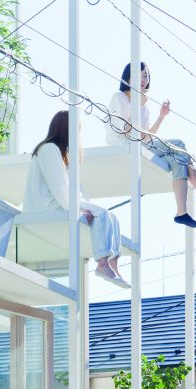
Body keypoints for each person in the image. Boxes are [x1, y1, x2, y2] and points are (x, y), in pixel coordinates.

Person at [107, 62, 196, 228]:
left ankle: (181, 213)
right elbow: (126, 130)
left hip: (140, 146)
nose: (143, 79)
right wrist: (139, 104)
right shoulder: (119, 97)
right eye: (139, 75)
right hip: (124, 147)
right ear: (128, 77)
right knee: (179, 144)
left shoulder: (144, 105)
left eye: (146, 76)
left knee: (178, 160)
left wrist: (161, 117)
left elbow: (146, 136)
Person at [24, 110, 129, 289]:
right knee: (101, 214)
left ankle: (112, 263)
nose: (78, 134)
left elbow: (74, 189)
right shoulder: (49, 149)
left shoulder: (63, 153)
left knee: (111, 217)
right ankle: (102, 263)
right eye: (76, 129)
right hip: (46, 208)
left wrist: (81, 208)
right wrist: (77, 210)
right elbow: (60, 188)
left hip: (61, 204)